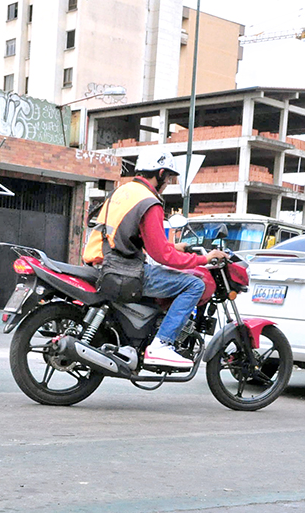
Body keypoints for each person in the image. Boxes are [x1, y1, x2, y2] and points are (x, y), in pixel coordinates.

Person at [83, 148, 243, 369]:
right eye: (168, 177)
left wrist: (174, 247)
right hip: (124, 269)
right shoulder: (150, 202)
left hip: (104, 261)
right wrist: (203, 261)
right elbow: (163, 256)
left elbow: (131, 238)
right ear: (159, 173)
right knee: (194, 284)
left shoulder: (124, 191)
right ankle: (161, 344)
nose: (168, 183)